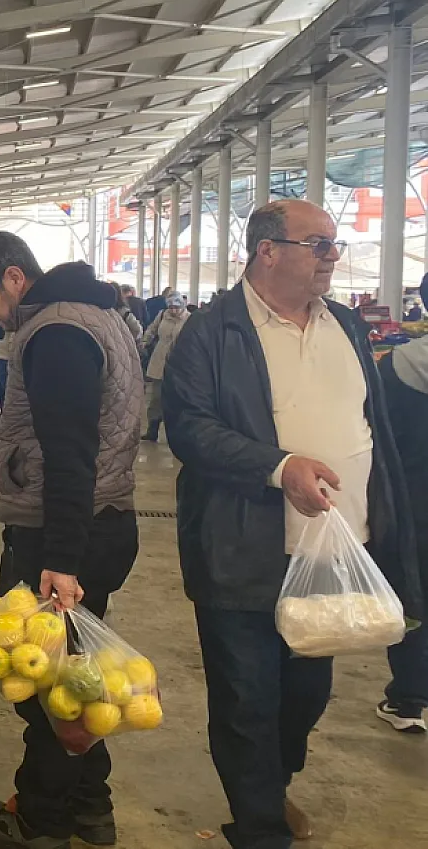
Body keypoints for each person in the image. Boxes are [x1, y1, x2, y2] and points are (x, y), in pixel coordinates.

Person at [163, 200, 423, 848]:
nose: (333, 257)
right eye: (320, 244)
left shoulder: (346, 326)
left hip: (335, 552)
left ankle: (271, 789)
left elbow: (374, 426)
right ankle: (258, 826)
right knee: (248, 697)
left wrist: (389, 514)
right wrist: (280, 468)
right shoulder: (211, 333)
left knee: (306, 690)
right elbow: (191, 429)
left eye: (335, 245)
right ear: (267, 251)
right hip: (243, 549)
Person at [0, 234, 143, 849]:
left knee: (48, 691)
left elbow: (70, 454)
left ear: (13, 276)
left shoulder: (57, 333)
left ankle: (40, 820)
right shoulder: (91, 312)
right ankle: (91, 807)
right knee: (77, 677)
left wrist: (61, 559)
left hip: (67, 532)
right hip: (97, 522)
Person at [370, 334, 428, 735]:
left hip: (412, 506)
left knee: (408, 597)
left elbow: (372, 435)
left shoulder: (394, 367)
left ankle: (409, 699)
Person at [138, 292, 188, 443]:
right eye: (171, 307)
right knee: (156, 398)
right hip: (160, 358)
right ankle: (152, 428)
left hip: (180, 362)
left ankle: (178, 431)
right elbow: (152, 330)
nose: (173, 311)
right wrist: (145, 342)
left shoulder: (189, 319)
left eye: (176, 307)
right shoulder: (162, 315)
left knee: (177, 398)